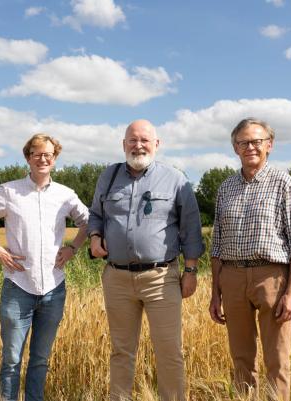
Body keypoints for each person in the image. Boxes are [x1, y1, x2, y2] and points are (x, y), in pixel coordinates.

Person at [0, 133, 89, 401]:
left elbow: (88, 222)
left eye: (48, 154)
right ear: (27, 157)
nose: (43, 159)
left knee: (40, 360)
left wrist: (73, 248)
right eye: (37, 154)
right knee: (11, 360)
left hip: (54, 290)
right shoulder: (10, 191)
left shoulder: (65, 195)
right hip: (18, 287)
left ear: (55, 159)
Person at [88, 119, 204, 401]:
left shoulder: (176, 179)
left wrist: (190, 270)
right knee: (121, 351)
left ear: (156, 144)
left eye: (144, 140)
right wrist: (94, 236)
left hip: (161, 278)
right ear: (123, 144)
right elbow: (96, 215)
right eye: (132, 140)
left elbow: (191, 228)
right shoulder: (109, 176)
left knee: (169, 351)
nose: (138, 145)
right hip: (117, 278)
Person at [208, 118, 291, 401]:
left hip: (271, 278)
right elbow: (216, 245)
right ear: (235, 148)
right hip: (231, 277)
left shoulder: (284, 183)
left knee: (277, 360)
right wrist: (215, 293)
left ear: (269, 145)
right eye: (243, 142)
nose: (250, 147)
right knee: (241, 359)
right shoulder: (225, 188)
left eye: (256, 141)